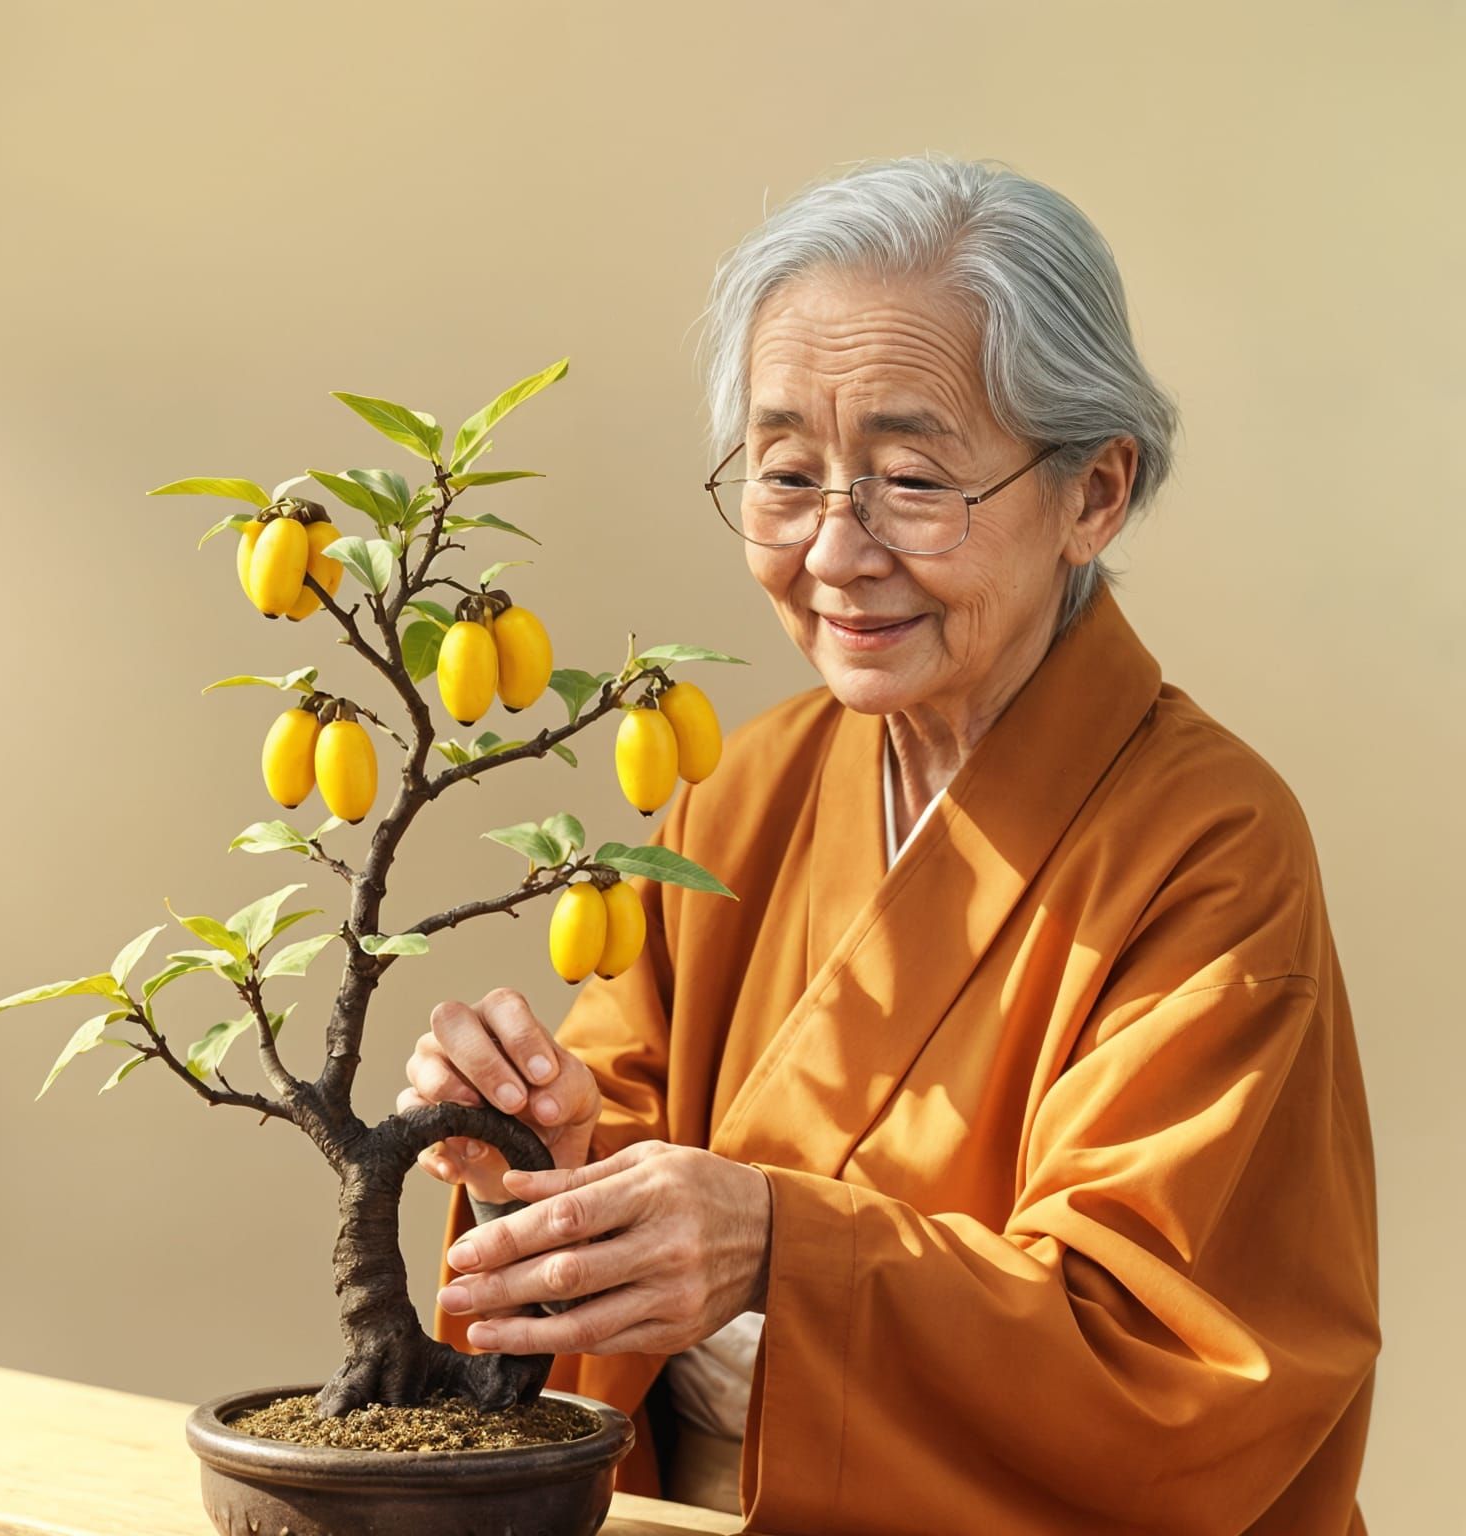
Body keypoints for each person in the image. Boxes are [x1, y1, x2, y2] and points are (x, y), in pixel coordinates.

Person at [397, 154, 1381, 1534]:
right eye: (788, 473)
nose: (836, 551)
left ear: (1093, 494)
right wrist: (536, 1153)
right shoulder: (752, 784)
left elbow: (1170, 1364)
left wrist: (778, 1252)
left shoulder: (1212, 848)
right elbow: (626, 1157)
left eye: (912, 481)